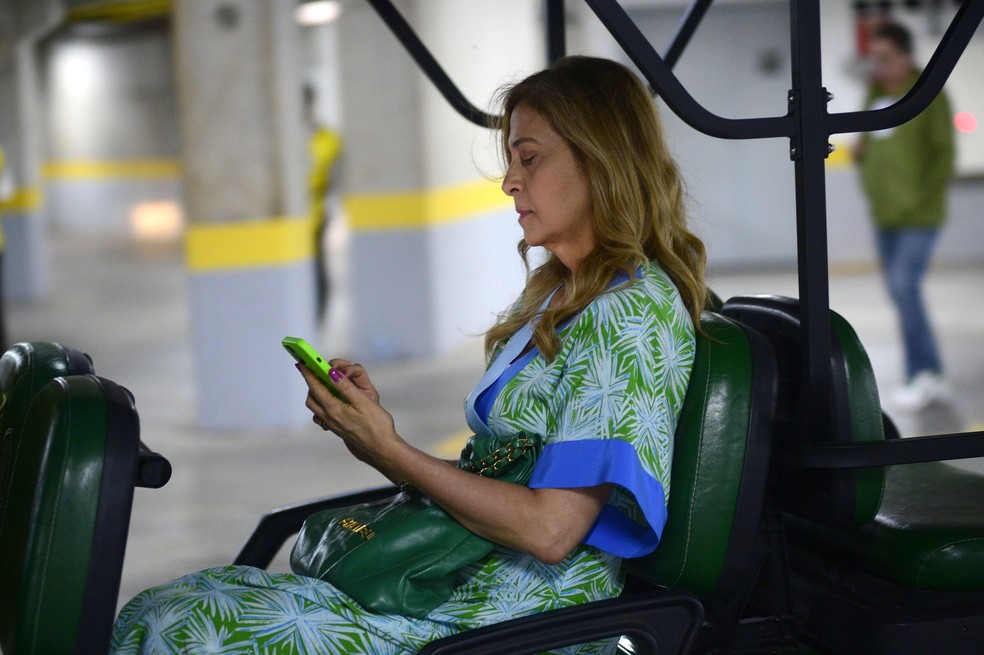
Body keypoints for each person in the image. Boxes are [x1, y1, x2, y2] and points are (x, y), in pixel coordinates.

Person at [111, 56, 707, 655]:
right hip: (450, 590)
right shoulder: (564, 295)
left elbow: (552, 530)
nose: (509, 182)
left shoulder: (630, 316)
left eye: (529, 158)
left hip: (512, 623)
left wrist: (389, 449)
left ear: (600, 161)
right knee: (161, 611)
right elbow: (494, 479)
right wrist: (373, 432)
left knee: (179, 635)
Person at [855, 21, 955, 412]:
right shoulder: (874, 94)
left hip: (920, 214)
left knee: (903, 286)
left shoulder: (929, 95)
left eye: (886, 57)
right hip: (885, 214)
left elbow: (942, 154)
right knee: (900, 292)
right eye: (874, 58)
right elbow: (866, 145)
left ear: (907, 56)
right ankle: (928, 373)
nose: (878, 65)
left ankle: (925, 372)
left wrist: (919, 199)